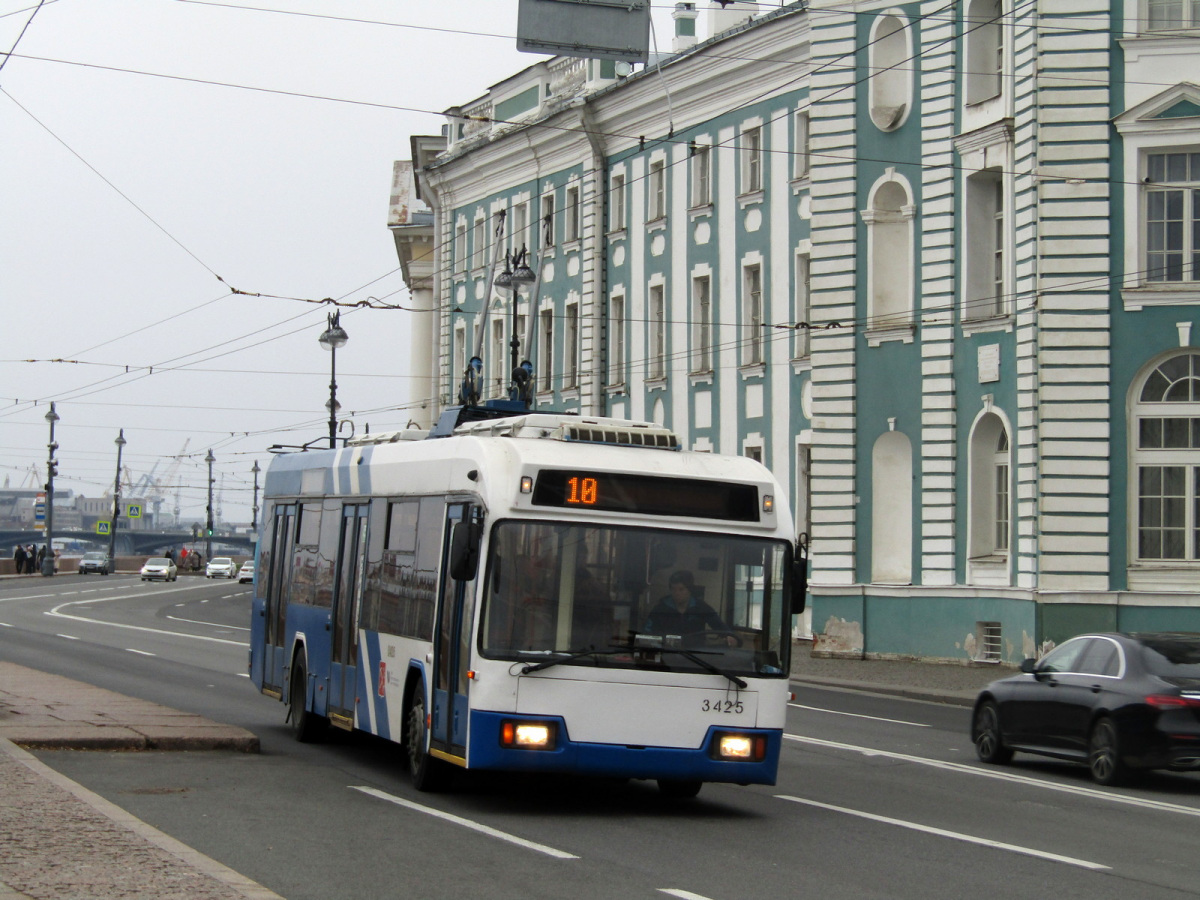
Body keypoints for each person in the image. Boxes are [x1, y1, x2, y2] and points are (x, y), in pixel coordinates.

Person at [642, 570, 738, 647]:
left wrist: (729, 636)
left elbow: (719, 626)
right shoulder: (660, 608)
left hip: (695, 657)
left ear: (690, 590)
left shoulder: (701, 608)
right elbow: (647, 634)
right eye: (673, 589)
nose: (677, 593)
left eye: (681, 589)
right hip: (666, 654)